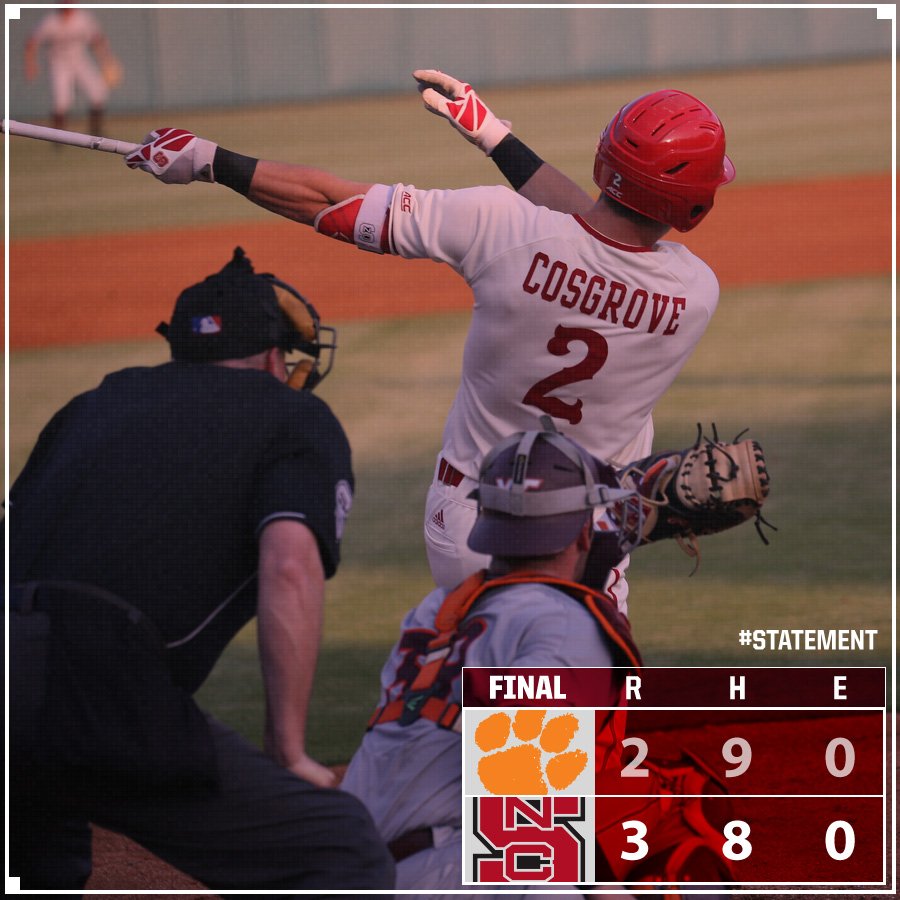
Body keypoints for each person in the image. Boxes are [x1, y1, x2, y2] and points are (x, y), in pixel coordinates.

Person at [122, 73, 735, 616]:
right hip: (588, 534)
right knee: (565, 708)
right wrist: (494, 138)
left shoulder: (501, 225)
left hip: (471, 523)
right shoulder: (695, 292)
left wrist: (209, 161)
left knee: (508, 702)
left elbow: (334, 203)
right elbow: (598, 235)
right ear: (695, 206)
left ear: (606, 161)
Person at [8, 248, 394, 892]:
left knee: (47, 850)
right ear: (274, 356)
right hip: (88, 684)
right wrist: (289, 748)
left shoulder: (94, 401)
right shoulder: (294, 416)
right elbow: (290, 567)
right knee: (339, 845)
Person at [338, 422, 737, 897]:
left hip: (345, 868)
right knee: (679, 859)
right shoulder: (565, 626)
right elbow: (527, 832)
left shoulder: (437, 611)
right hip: (440, 879)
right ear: (585, 533)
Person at [24, 2, 119, 135]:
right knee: (61, 101)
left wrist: (106, 60)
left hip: (80, 60)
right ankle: (58, 137)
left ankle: (96, 133)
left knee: (98, 92)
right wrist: (31, 64)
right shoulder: (51, 21)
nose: (68, 4)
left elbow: (97, 39)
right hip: (59, 63)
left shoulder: (83, 18)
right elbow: (32, 42)